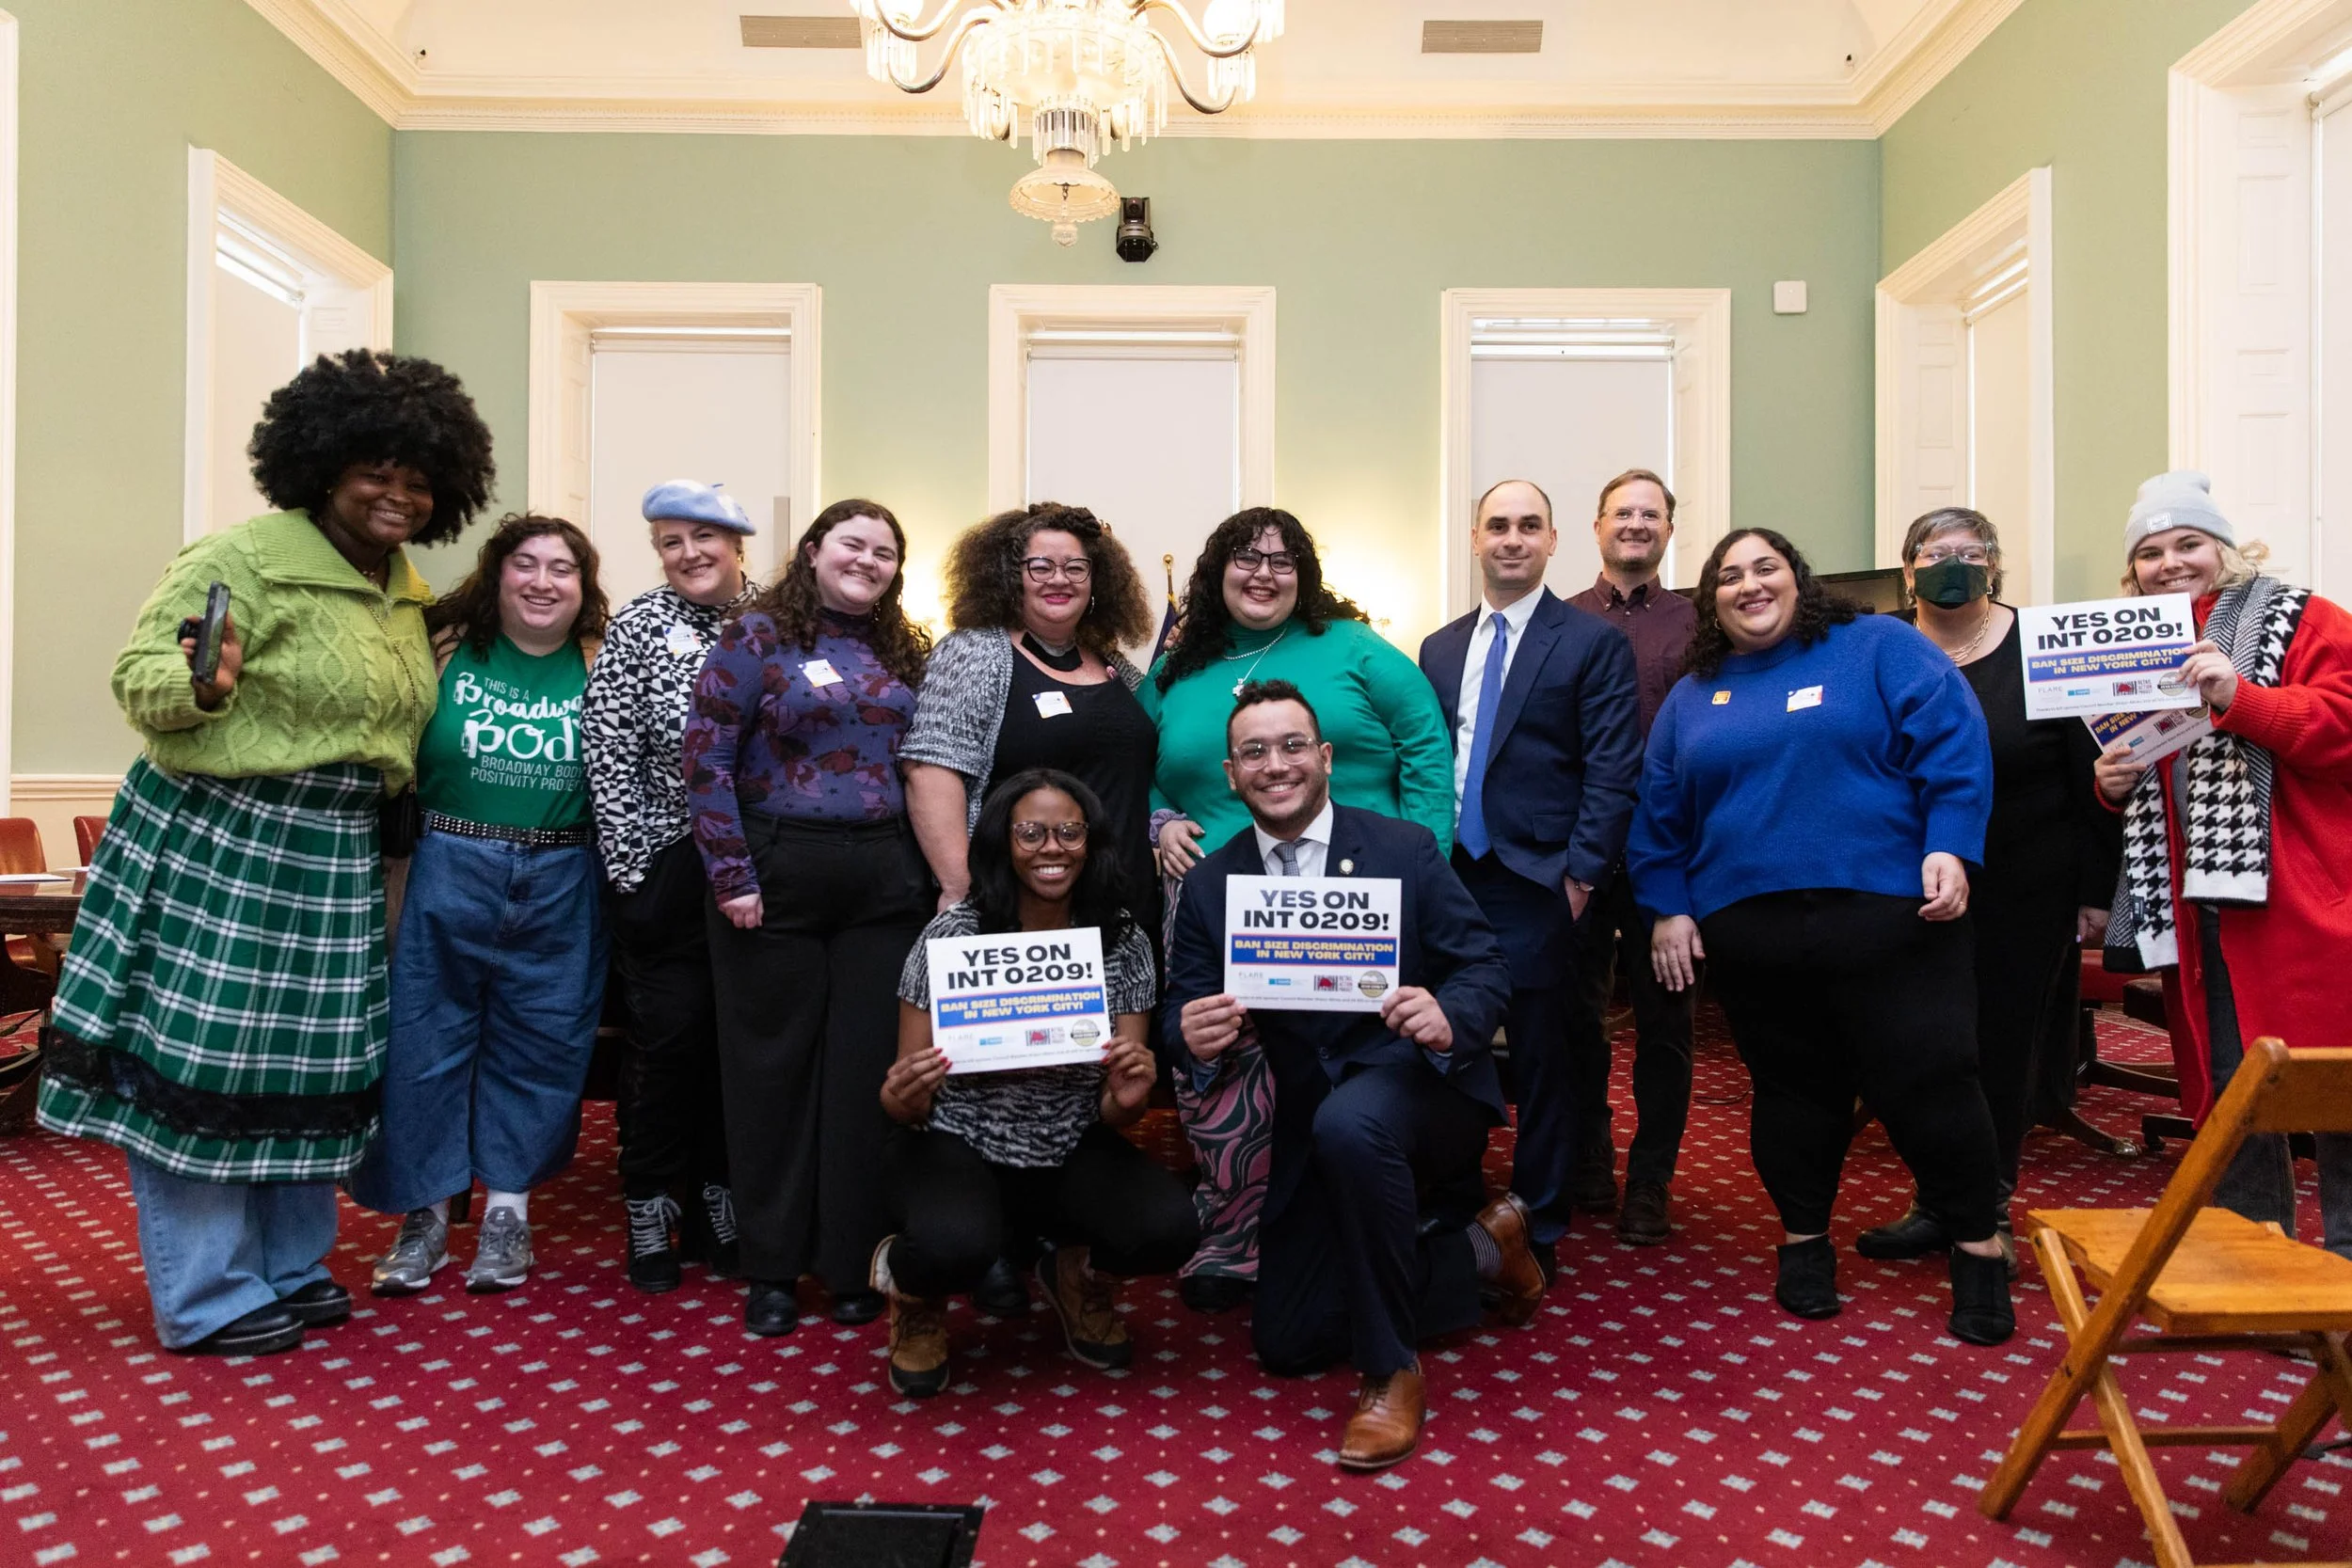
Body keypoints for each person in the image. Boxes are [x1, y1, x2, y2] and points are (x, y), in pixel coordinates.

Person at [37, 348, 495, 1354]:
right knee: (204, 1061)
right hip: (223, 830)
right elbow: (141, 673)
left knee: (311, 1066)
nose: (399, 493)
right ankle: (206, 1290)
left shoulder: (403, 591)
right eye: (375, 469)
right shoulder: (240, 556)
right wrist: (201, 685)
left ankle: (288, 1264)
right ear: (321, 465)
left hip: (335, 847)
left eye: (419, 478)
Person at [1626, 528, 2014, 1345]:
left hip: (1892, 918)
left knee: (1932, 1085)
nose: (1749, 584)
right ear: (1711, 601)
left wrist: (1950, 841)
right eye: (1729, 575)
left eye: (1765, 567)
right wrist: (1668, 905)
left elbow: (1953, 740)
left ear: (1799, 580)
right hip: (1753, 932)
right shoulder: (1694, 695)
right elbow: (1659, 810)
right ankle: (1804, 1242)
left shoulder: (1876, 646)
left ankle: (1979, 1246)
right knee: (1792, 1093)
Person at [1164, 681, 1538, 1471]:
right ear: (1231, 773)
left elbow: (1483, 965)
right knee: (1287, 1341)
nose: (1276, 764)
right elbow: (1179, 1008)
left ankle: (1391, 1370)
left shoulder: (1403, 848)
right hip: (1312, 1123)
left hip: (1423, 1089)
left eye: (1293, 745)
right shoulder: (1212, 884)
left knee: (1354, 1120)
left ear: (1326, 757)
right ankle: (1480, 1249)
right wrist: (1192, 1033)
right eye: (1254, 752)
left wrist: (1449, 1014)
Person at [1143, 509, 1454, 1313]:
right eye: (1246, 558)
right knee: (1225, 1060)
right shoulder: (1178, 667)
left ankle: (1374, 1216)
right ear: (1217, 571)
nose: (1263, 573)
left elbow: (1426, 745)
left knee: (1347, 1064)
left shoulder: (1353, 645)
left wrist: (1425, 867)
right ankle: (1237, 1230)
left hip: (1362, 895)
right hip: (1219, 900)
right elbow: (1131, 759)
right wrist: (1160, 819)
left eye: (1282, 560)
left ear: (1304, 573)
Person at [683, 499, 934, 1335]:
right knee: (771, 1075)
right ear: (815, 549)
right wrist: (731, 873)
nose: (868, 561)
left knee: (864, 1077)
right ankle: (774, 1268)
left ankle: (850, 1260)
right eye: (852, 544)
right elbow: (707, 756)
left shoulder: (902, 649)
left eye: (885, 552)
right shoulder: (755, 636)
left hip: (883, 881)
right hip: (773, 872)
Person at [872, 769, 1199, 1396]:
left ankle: (1074, 1275)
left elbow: (1117, 1110)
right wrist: (904, 1089)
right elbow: (900, 1106)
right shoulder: (953, 935)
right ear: (1003, 841)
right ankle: (914, 1293)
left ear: (1091, 841)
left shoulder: (1123, 940)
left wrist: (1128, 1096)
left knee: (1169, 1227)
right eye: (1031, 832)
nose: (1053, 848)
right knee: (952, 1245)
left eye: (1070, 831)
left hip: (1068, 1143)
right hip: (955, 1142)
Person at [350, 515, 612, 1292]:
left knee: (544, 1043)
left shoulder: (603, 659)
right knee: (421, 1042)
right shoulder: (440, 647)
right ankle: (425, 1218)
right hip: (444, 864)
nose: (542, 581)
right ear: (496, 573)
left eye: (562, 568)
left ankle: (507, 1215)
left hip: (564, 874)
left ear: (583, 586)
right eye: (526, 564)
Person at [2093, 471, 2352, 1254]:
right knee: (2231, 1087)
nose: (2169, 563)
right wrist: (2112, 784)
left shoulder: (2307, 616)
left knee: (2337, 1082)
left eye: (2189, 543)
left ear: (2224, 548)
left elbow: (2344, 725)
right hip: (2193, 904)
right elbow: (2145, 761)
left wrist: (2240, 694)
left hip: (2306, 895)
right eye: (2149, 552)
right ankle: (2254, 1253)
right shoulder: (2127, 639)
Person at [1857, 508, 2120, 1271]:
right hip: (1903, 882)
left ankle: (1986, 1205)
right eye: (1936, 552)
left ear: (1995, 566)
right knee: (1919, 1048)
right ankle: (1936, 1200)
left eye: (1971, 553)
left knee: (1999, 1051)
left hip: (2025, 883)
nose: (1954, 564)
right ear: (1908, 569)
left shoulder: (2043, 645)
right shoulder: (1878, 645)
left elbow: (2090, 777)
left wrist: (2095, 889)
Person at [1419, 479, 1641, 1274]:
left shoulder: (1590, 642)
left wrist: (1580, 877)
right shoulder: (1439, 647)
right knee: (1448, 1041)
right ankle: (1454, 1198)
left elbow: (1613, 767)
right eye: (1497, 525)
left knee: (1547, 1056)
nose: (1512, 538)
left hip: (1541, 881)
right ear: (1475, 539)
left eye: (1528, 525)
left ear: (1552, 541)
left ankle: (1537, 1220)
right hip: (1452, 877)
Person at [582, 480, 758, 1291]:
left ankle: (722, 1199)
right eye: (669, 542)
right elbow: (608, 750)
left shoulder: (776, 619)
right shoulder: (639, 626)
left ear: (736, 543)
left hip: (759, 869)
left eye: (703, 537)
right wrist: (631, 868)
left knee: (736, 1045)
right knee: (668, 1041)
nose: (688, 554)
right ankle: (650, 1203)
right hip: (666, 863)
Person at [902, 503, 1157, 919]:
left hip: (1126, 901)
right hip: (1020, 909)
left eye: (1076, 568)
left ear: (1096, 581)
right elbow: (930, 771)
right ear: (1009, 576)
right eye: (1040, 567)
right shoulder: (973, 652)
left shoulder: (1114, 665)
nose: (1059, 579)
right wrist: (959, 889)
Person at [1565, 469, 1701, 1243]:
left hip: (1670, 856)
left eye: (1652, 513)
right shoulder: (1561, 620)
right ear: (1597, 526)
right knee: (1575, 1018)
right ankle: (1590, 1151)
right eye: (1624, 512)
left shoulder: (1700, 624)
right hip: (1580, 853)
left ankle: (1652, 1178)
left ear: (1669, 530)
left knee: (1667, 1025)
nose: (1637, 524)